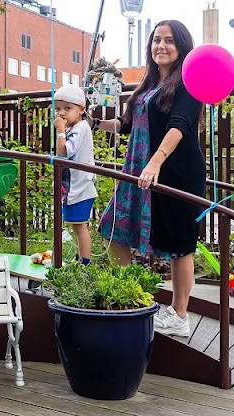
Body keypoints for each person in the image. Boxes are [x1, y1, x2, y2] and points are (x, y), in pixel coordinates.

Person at [92, 20, 205, 337]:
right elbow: (128, 126)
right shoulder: (149, 84)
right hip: (138, 172)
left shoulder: (187, 82)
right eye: (157, 40)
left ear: (181, 46)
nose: (162, 46)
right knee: (113, 228)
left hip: (173, 172)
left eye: (169, 41)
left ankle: (180, 315)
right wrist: (95, 121)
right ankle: (133, 296)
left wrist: (155, 163)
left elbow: (179, 125)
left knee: (180, 246)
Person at [54, 84, 98, 265]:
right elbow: (60, 153)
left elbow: (63, 152)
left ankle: (85, 264)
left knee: (80, 226)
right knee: (76, 226)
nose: (62, 113)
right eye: (58, 108)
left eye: (68, 108)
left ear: (81, 110)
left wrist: (59, 131)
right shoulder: (73, 128)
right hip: (73, 187)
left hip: (81, 187)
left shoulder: (81, 128)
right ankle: (80, 259)